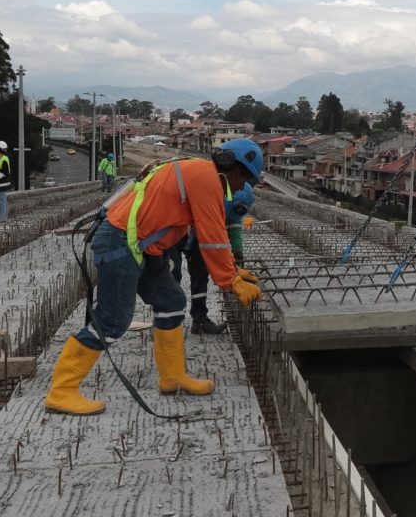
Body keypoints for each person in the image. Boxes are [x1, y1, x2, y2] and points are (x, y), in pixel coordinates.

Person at [43, 138, 265, 415]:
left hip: (142, 245)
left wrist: (231, 268)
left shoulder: (198, 171)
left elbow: (207, 238)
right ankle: (62, 392)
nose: (242, 188)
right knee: (112, 321)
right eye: (246, 180)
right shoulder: (207, 178)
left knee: (171, 301)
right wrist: (230, 280)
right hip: (121, 242)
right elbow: (212, 236)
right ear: (234, 168)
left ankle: (172, 377)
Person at [167, 182, 255, 334]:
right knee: (172, 276)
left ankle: (200, 320)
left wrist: (237, 253)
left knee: (200, 275)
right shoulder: (208, 196)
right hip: (173, 232)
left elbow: (233, 229)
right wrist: (228, 269)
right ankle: (167, 322)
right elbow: (216, 245)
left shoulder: (235, 206)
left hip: (197, 237)